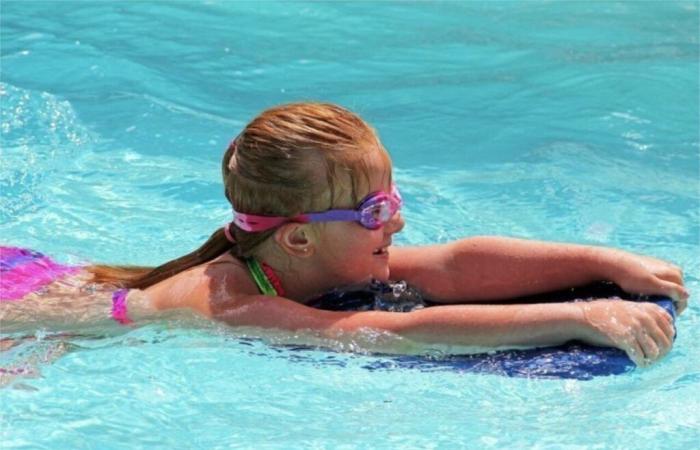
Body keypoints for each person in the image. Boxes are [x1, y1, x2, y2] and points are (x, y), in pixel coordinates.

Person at [0, 103, 689, 367]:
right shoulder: (226, 303)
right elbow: (386, 332)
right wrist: (576, 316)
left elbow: (451, 265)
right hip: (24, 311)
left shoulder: (305, 253)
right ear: (298, 240)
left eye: (393, 199)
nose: (398, 222)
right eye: (373, 212)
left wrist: (609, 263)